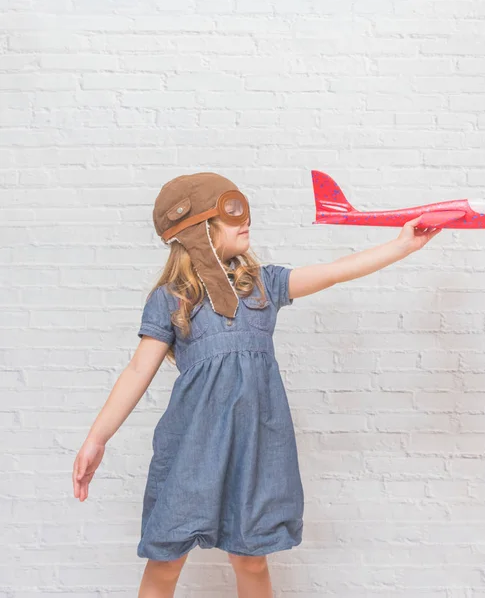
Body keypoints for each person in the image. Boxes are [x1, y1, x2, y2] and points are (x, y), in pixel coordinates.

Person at [71, 172, 442, 598]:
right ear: (199, 232)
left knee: (251, 558)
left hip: (256, 445)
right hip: (194, 445)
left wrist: (402, 245)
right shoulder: (174, 297)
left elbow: (335, 272)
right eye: (231, 216)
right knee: (167, 558)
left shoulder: (263, 286)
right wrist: (97, 438)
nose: (246, 222)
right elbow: (137, 372)